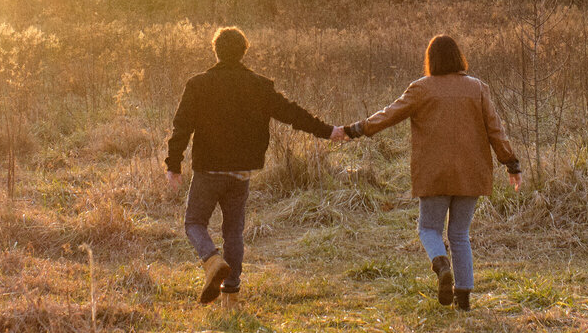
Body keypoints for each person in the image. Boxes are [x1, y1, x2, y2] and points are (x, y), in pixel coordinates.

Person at [165, 26, 344, 307]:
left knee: (194, 222)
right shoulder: (259, 85)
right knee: (233, 232)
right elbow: (292, 113)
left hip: (209, 169)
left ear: (216, 51)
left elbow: (181, 127)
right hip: (241, 171)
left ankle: (211, 261)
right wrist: (328, 130)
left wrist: (173, 164)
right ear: (244, 51)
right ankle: (231, 296)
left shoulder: (198, 84)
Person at [342, 34, 520, 310]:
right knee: (460, 234)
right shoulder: (478, 88)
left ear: (431, 60)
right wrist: (511, 162)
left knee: (428, 228)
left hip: (434, 172)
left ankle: (441, 264)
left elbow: (389, 114)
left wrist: (357, 129)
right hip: (471, 172)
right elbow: (495, 129)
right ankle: (463, 298)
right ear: (458, 57)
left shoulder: (421, 89)